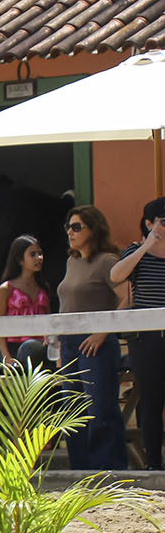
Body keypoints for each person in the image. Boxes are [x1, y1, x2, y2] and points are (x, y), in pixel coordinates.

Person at [61, 206, 128, 471]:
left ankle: (108, 468)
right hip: (68, 343)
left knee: (99, 409)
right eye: (68, 226)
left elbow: (128, 297)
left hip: (96, 343)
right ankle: (80, 470)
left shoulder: (106, 261)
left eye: (77, 227)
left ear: (93, 229)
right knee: (72, 410)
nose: (70, 232)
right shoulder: (71, 262)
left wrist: (103, 332)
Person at [111, 196, 165, 469]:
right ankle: (154, 463)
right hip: (146, 338)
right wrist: (146, 246)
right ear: (148, 223)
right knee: (152, 399)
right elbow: (116, 276)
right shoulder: (136, 251)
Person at [0, 235, 52, 366]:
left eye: (40, 253)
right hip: (14, 348)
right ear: (20, 260)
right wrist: (6, 356)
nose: (39, 258)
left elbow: (49, 320)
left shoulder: (43, 287)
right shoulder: (6, 289)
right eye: (33, 254)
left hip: (40, 348)